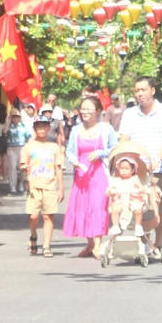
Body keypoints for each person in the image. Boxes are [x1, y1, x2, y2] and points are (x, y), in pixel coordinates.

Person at [117, 76, 162, 259]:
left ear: (152, 90)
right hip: (138, 171)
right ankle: (143, 244)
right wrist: (125, 161)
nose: (140, 94)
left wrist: (156, 159)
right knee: (141, 208)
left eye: (143, 90)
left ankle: (158, 243)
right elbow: (124, 139)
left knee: (161, 209)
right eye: (137, 91)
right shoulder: (129, 114)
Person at [64, 97, 116, 257]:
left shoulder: (106, 129)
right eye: (83, 109)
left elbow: (114, 147)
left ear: (98, 111)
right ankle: (90, 243)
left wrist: (100, 153)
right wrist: (74, 162)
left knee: (98, 206)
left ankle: (98, 245)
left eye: (88, 109)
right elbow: (70, 151)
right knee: (84, 207)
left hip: (99, 173)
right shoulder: (76, 130)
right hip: (81, 174)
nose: (84, 112)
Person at [21, 117, 65, 257]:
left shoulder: (54, 147)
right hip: (33, 186)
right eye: (38, 127)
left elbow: (58, 168)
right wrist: (24, 167)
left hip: (50, 186)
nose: (42, 129)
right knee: (34, 216)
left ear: (48, 128)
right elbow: (23, 164)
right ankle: (33, 235)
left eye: (44, 126)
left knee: (48, 216)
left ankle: (46, 246)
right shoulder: (28, 146)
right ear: (34, 129)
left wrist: (61, 188)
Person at [5, 109, 32, 195]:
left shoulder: (23, 126)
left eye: (17, 117)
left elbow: (29, 137)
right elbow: (4, 131)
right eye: (14, 117)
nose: (15, 119)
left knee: (22, 168)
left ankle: (20, 184)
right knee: (12, 167)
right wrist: (8, 121)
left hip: (22, 148)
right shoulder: (9, 126)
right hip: (12, 149)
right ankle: (13, 185)